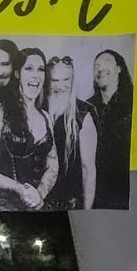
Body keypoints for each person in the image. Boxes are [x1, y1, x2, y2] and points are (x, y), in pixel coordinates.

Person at [0, 46, 59, 211]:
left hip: (35, 205)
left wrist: (40, 194)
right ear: (17, 74)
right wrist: (18, 188)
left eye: (40, 69)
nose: (35, 75)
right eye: (29, 68)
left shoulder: (46, 117)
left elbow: (52, 165)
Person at [46, 55, 97, 209]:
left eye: (66, 79)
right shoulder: (39, 109)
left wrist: (87, 210)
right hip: (40, 199)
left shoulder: (83, 113)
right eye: (55, 80)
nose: (61, 86)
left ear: (72, 80)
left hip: (70, 201)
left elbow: (88, 169)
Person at [90, 49, 134, 209]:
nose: (100, 69)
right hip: (96, 192)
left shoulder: (135, 102)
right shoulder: (87, 108)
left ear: (119, 68)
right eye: (96, 66)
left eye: (106, 62)